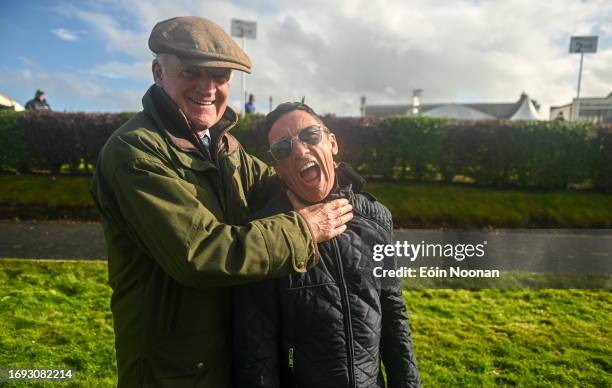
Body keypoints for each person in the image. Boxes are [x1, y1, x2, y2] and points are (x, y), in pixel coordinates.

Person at [90, 17, 352, 387]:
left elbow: (277, 188)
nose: (208, 88)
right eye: (191, 72)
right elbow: (200, 253)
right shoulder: (134, 151)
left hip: (233, 353)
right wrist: (305, 228)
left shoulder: (224, 145)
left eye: (220, 76)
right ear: (157, 72)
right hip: (174, 368)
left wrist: (327, 177)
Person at [233, 102, 421, 388]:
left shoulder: (377, 217)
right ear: (278, 169)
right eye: (283, 149)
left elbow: (394, 314)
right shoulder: (264, 234)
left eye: (310, 135)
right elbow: (257, 354)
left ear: (332, 143)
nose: (299, 150)